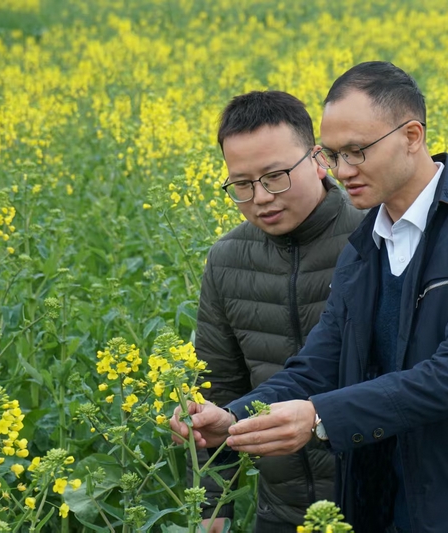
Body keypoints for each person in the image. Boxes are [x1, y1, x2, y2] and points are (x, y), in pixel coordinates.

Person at [173, 62, 448, 532]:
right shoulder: (367, 243)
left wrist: (319, 415)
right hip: (393, 503)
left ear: (411, 136)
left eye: (357, 152)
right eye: (333, 154)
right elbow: (318, 365)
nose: (343, 171)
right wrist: (232, 419)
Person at [183, 91, 366, 532]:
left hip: (378, 504)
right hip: (282, 513)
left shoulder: (375, 238)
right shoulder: (227, 259)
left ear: (318, 160)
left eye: (276, 176)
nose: (261, 197)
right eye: (241, 184)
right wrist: (212, 514)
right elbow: (219, 392)